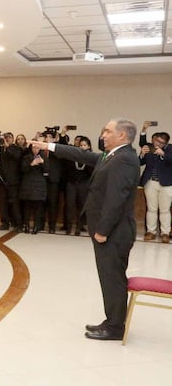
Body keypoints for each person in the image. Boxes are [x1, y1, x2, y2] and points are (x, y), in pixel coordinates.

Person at [30, 118, 140, 341]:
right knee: (108, 276)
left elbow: (116, 198)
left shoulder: (125, 159)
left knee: (112, 278)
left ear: (122, 135)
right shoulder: (112, 155)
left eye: (108, 131)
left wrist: (103, 229)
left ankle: (115, 327)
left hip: (114, 232)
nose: (103, 135)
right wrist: (49, 146)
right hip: (110, 230)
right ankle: (112, 321)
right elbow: (82, 155)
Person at [138, 122, 172, 243]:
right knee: (151, 209)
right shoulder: (149, 147)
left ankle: (165, 233)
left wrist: (164, 154)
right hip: (150, 182)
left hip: (167, 184)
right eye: (157, 141)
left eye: (161, 143)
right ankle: (150, 232)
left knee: (165, 209)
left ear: (166, 143)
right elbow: (140, 162)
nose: (158, 144)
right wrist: (142, 154)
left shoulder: (170, 149)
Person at [63, 136, 94, 236]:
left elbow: (92, 173)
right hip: (71, 183)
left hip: (84, 184)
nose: (82, 147)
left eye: (85, 145)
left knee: (81, 206)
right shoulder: (73, 156)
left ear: (89, 146)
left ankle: (79, 227)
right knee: (69, 205)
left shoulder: (91, 158)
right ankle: (68, 227)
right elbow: (67, 169)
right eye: (81, 145)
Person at [0, 132, 23, 231]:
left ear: (12, 139)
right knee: (3, 203)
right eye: (5, 138)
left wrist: (8, 147)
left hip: (13, 181)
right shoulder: (1, 150)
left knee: (15, 203)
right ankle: (5, 223)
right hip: (2, 180)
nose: (7, 139)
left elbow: (17, 157)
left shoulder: (16, 148)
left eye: (9, 138)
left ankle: (19, 224)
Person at [19, 141, 47, 234]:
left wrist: (43, 163)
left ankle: (36, 226)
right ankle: (26, 225)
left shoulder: (43, 157)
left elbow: (48, 170)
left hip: (39, 184)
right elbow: (22, 169)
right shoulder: (26, 157)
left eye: (37, 148)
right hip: (28, 184)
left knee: (38, 207)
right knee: (27, 206)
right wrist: (31, 164)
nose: (35, 150)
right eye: (34, 148)